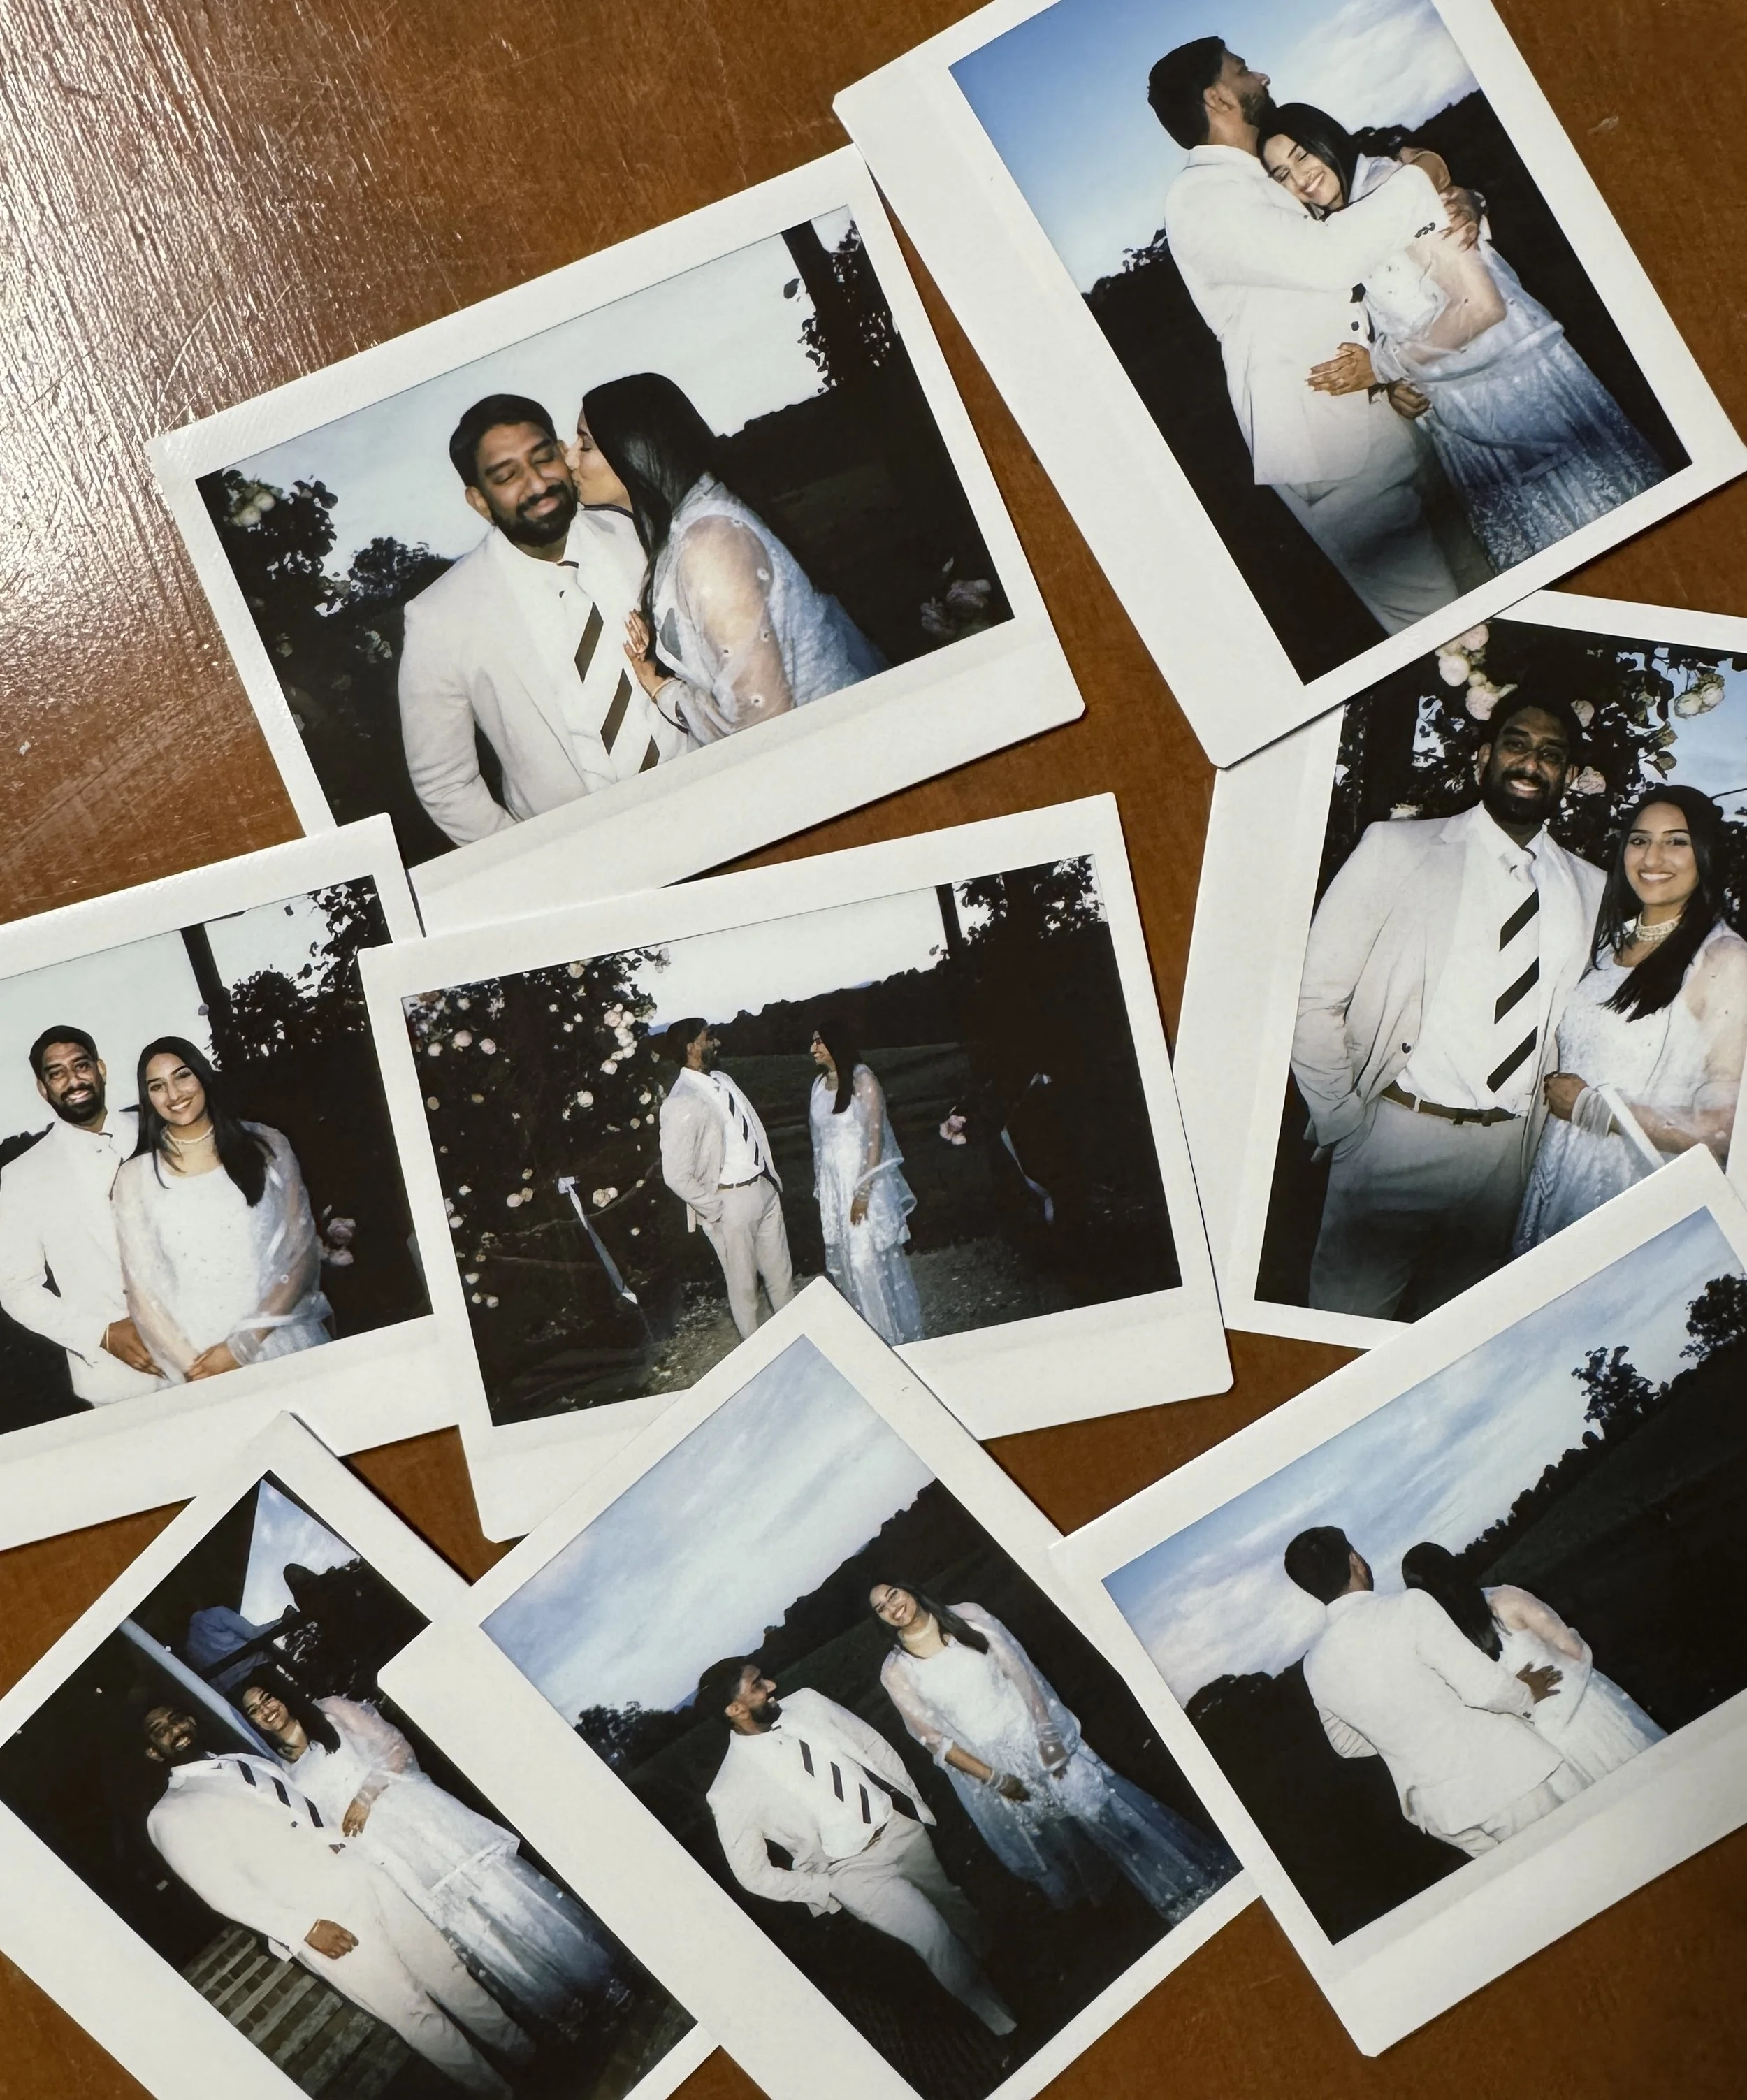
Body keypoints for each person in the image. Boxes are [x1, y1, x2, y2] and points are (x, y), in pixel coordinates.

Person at [1149, 39, 1485, 633]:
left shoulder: (1266, 173)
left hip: (1395, 411)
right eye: (1242, 70)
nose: (1262, 75)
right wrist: (1423, 176)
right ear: (1217, 98)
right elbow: (1330, 259)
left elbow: (1368, 259)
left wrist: (1459, 200)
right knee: (1440, 627)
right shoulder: (1201, 197)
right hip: (1329, 454)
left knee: (1484, 577)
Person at [1291, 695, 1607, 1317]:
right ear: (1484, 756)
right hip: (1392, 1138)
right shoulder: (1396, 849)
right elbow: (1312, 996)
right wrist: (1343, 1122)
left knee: (1457, 1343)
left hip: (1506, 1162)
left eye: (1551, 754)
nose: (1531, 763)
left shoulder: (1591, 887)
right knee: (1341, 1331)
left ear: (1570, 776)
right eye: (1516, 744)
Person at [1258, 104, 1665, 570]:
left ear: (1327, 139)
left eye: (1303, 154)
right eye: (1282, 174)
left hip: (1518, 402)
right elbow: (1402, 312)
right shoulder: (1336, 229)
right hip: (1462, 425)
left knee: (1613, 537)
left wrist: (1383, 366)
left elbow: (1481, 306)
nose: (1301, 178)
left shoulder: (1390, 190)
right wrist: (1395, 384)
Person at [143, 1704, 530, 2097]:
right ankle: (498, 2092)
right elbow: (222, 1891)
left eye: (176, 1718)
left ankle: (525, 2054)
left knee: (447, 1971)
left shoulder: (244, 1761)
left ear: (191, 1719)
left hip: (360, 1872)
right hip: (318, 1915)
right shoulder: (170, 1813)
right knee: (411, 2010)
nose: (174, 1729)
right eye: (160, 1730)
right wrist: (303, 1929)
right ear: (154, 1752)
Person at [240, 1672, 618, 2037]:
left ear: (281, 1693)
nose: (266, 1711)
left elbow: (396, 1747)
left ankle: (602, 1982)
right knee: (469, 1926)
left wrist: (365, 1797)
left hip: (417, 1818)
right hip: (384, 1854)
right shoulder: (285, 1771)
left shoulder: (331, 1711)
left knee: (502, 1895)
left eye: (267, 1698)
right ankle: (564, 2009)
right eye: (254, 1710)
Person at [398, 393, 690, 846]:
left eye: (543, 459)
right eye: (507, 476)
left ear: (561, 452)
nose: (536, 484)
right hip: (585, 856)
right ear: (479, 501)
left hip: (707, 798)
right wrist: (540, 863)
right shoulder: (439, 617)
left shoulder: (643, 533)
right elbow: (445, 785)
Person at [869, 1581, 1234, 1920]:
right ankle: (1123, 1909)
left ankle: (1183, 1888)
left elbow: (1021, 1672)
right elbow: (935, 1741)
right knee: (1065, 1836)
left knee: (1102, 1809)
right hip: (997, 1764)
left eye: (893, 1594)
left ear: (909, 1589)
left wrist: (1048, 1736)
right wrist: (996, 1779)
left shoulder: (966, 1616)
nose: (892, 1607)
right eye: (881, 1608)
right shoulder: (897, 1671)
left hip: (1034, 1733)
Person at [697, 1658, 1016, 2037]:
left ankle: (1003, 1965)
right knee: (934, 1938)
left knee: (952, 1903)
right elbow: (751, 1873)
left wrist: (907, 1804)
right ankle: (1006, 2026)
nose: (771, 1685)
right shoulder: (729, 1790)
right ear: (734, 1710)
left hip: (898, 1829)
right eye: (756, 1685)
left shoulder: (809, 1704)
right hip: (850, 1872)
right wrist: (825, 1887)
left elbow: (872, 1744)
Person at [574, 374, 886, 744]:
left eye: (585, 444)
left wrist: (664, 691)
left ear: (635, 450)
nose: (570, 458)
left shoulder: (709, 544)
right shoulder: (685, 525)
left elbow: (763, 719)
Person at [1516, 787, 1747, 1247]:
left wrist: (1594, 1110)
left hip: (1634, 1187)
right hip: (1561, 1166)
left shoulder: (1724, 958)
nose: (1652, 858)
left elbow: (1726, 1128)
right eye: (1640, 840)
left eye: (1676, 841)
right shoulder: (1609, 944)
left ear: (1705, 854)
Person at [1285, 1528, 1586, 1857]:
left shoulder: (1314, 1664)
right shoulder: (1408, 1607)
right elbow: (1485, 1689)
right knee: (1574, 1858)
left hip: (1442, 1816)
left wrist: (1404, 1727)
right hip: (1505, 1780)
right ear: (1355, 1560)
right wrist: (1527, 1694)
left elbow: (1346, 1744)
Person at [111, 1038, 332, 1380]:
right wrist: (194, 1368)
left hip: (276, 1336)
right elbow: (143, 1292)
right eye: (157, 1086)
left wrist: (243, 1345)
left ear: (202, 1075)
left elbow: (300, 1256)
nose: (173, 1094)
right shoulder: (134, 1178)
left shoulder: (267, 1145)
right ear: (148, 1098)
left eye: (182, 1076)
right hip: (195, 1356)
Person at [1400, 1544, 1665, 1785]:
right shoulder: (1507, 1598)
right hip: (1589, 1714)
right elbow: (1572, 1649)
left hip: (1544, 1748)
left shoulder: (1441, 1648)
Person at [0, 1027, 166, 1404]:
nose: (73, 1080)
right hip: (121, 1381)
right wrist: (101, 1334)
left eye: (81, 1066)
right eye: (57, 1073)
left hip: (210, 1349)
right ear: (43, 1089)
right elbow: (16, 1287)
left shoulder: (159, 1129)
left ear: (101, 1069)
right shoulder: (23, 1175)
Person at [656, 1018, 793, 1340]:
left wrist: (769, 1179)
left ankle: (798, 1341)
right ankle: (758, 1355)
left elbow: (752, 1129)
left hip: (763, 1189)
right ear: (691, 1047)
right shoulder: (681, 1101)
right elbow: (674, 1175)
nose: (716, 1043)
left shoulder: (723, 1079)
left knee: (782, 1277)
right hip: (730, 1202)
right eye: (709, 1037)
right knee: (745, 1290)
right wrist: (715, 1209)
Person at [808, 1018, 924, 1345]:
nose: (812, 1049)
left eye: (819, 1041)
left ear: (836, 1042)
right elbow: (819, 1143)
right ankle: (865, 1338)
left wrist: (863, 1192)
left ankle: (887, 1339)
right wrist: (826, 1194)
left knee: (865, 1263)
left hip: (863, 1186)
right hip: (835, 1188)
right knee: (848, 1264)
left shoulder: (863, 1081)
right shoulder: (818, 1086)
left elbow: (875, 1141)